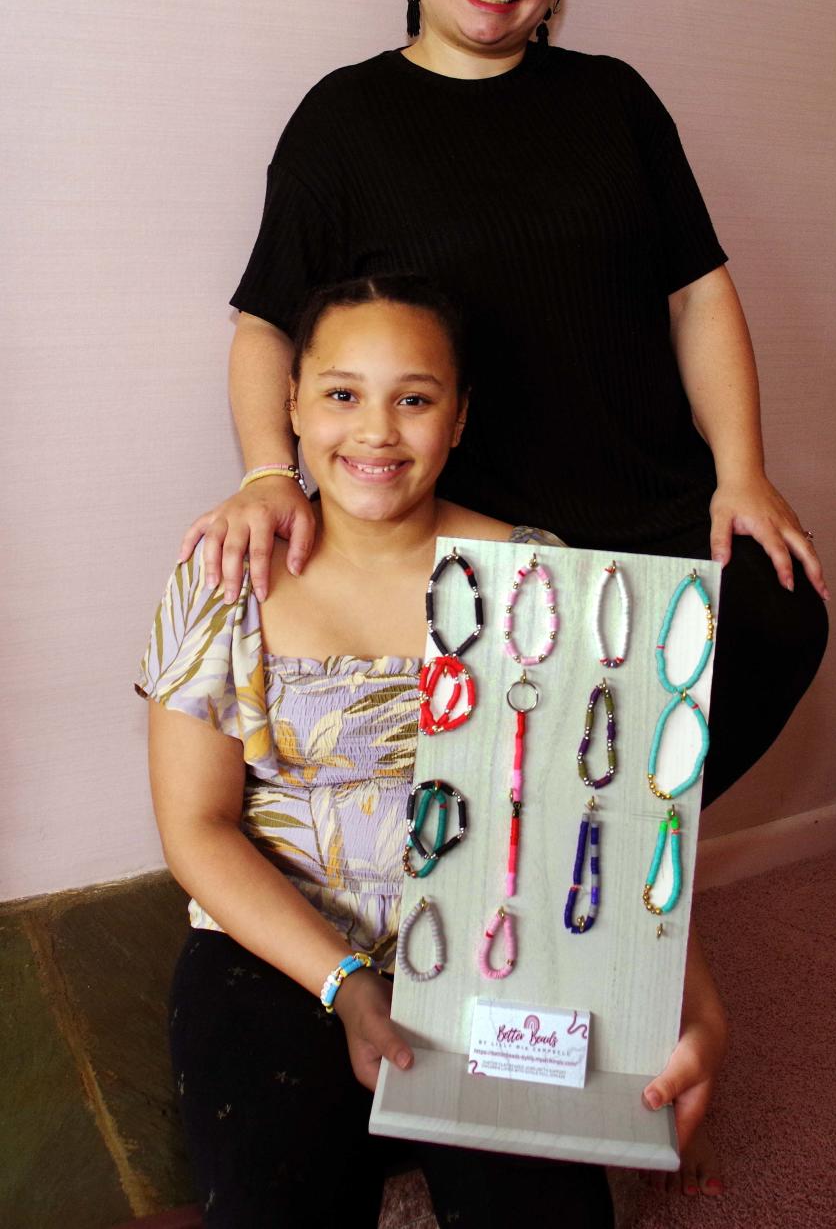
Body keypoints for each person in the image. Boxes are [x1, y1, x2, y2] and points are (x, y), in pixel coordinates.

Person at [178, 0, 829, 1197]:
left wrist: (743, 469)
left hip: (634, 517)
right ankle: (508, 943)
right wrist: (262, 472)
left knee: (775, 615)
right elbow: (262, 326)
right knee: (509, 788)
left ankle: (588, 936)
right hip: (472, 539)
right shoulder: (345, 118)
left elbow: (699, 290)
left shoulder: (615, 103)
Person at [143, 276, 626, 1224]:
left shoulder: (539, 576)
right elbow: (196, 830)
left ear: (459, 417)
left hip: (495, 949)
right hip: (275, 949)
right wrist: (350, 985)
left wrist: (689, 1007)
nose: (375, 432)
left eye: (413, 397)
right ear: (290, 405)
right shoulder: (223, 575)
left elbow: (604, 812)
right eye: (340, 394)